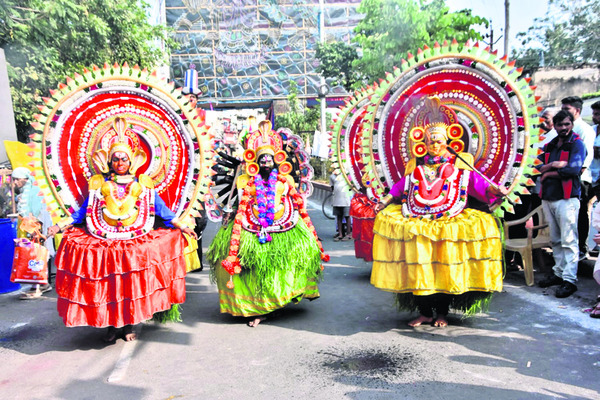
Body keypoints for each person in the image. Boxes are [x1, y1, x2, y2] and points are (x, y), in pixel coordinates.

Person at [47, 117, 197, 342]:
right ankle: (111, 326)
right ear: (109, 162)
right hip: (106, 243)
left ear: (132, 161)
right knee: (109, 287)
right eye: (115, 159)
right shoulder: (99, 185)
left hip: (133, 244)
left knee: (130, 287)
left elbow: (162, 210)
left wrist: (182, 226)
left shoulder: (143, 186)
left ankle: (128, 325)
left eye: (123, 159)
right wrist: (60, 225)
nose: (119, 162)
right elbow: (83, 212)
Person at [371, 112, 508, 328]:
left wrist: (494, 189)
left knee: (444, 268)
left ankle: (442, 313)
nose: (434, 144)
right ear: (423, 144)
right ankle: (425, 312)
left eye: (438, 140)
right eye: (430, 141)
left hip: (449, 223)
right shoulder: (417, 168)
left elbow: (477, 183)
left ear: (448, 141)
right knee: (419, 266)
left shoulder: (459, 168)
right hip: (418, 223)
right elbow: (400, 187)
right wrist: (385, 200)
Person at [207, 121, 328, 327]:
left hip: (283, 225)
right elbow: (237, 202)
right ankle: (256, 306)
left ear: (276, 160)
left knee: (290, 259)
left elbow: (296, 203)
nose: (265, 161)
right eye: (261, 158)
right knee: (243, 264)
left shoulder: (285, 181)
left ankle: (274, 303)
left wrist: (306, 226)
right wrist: (230, 214)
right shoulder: (245, 181)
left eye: (269, 158)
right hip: (248, 226)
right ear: (255, 161)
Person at [537, 110, 587, 298]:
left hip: (567, 199)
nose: (564, 128)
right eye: (560, 125)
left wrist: (547, 173)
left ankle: (569, 280)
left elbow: (574, 169)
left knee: (569, 240)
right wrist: (553, 166)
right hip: (549, 197)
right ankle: (558, 274)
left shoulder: (577, 144)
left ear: (572, 125)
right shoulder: (551, 144)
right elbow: (537, 165)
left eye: (567, 124)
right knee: (556, 240)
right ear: (555, 126)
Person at [12, 167, 55, 299]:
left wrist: (36, 229)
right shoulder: (27, 190)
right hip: (34, 227)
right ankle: (43, 284)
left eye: (17, 179)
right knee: (38, 255)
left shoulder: (34, 190)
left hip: (38, 227)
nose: (15, 183)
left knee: (36, 256)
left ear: (24, 179)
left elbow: (38, 212)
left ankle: (37, 287)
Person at [561, 96, 595, 260]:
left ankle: (582, 248)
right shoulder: (564, 128)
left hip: (579, 179)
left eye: (567, 109)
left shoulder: (585, 130)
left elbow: (585, 159)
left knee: (581, 214)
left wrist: (571, 173)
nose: (564, 112)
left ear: (578, 111)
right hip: (563, 179)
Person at [330, 172, 352, 241]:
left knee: (347, 216)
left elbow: (351, 185)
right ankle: (340, 234)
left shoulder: (346, 174)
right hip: (337, 199)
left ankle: (348, 234)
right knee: (338, 217)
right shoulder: (332, 176)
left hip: (346, 199)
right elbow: (332, 187)